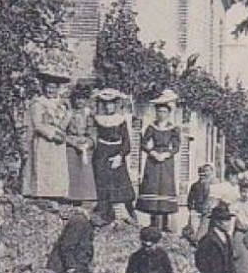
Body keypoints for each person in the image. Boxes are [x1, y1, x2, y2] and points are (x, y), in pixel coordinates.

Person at [137, 90, 181, 231]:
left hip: (166, 161)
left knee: (165, 187)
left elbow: (176, 146)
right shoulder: (151, 127)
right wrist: (152, 152)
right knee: (153, 186)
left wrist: (167, 154)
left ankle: (165, 223)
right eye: (159, 112)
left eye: (164, 112)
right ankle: (153, 222)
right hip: (153, 160)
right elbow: (143, 143)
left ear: (168, 113)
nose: (161, 114)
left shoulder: (173, 128)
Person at [90, 89, 136, 223]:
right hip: (101, 153)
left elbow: (127, 141)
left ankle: (126, 215)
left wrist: (120, 156)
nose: (108, 107)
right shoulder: (97, 119)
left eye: (111, 104)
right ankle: (104, 214)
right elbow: (93, 136)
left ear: (116, 105)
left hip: (116, 152)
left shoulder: (121, 120)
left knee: (120, 183)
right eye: (105, 104)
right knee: (102, 182)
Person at [23, 74, 72, 200]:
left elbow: (63, 124)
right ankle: (42, 196)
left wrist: (69, 112)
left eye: (53, 87)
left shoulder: (61, 104)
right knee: (44, 168)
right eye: (48, 87)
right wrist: (51, 135)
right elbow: (37, 124)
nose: (50, 90)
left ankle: (56, 196)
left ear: (58, 88)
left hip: (59, 142)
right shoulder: (38, 103)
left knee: (57, 169)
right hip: (44, 141)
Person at [63, 86, 97, 205]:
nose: (80, 102)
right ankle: (70, 202)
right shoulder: (69, 113)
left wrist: (88, 142)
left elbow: (93, 130)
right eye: (77, 99)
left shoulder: (89, 114)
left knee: (85, 177)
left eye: (83, 99)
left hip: (85, 147)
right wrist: (72, 142)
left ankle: (85, 203)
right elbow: (62, 131)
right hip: (71, 147)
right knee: (71, 176)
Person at [183, 164, 212, 242]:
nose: (203, 175)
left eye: (205, 172)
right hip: (196, 211)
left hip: (207, 212)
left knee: (204, 231)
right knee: (194, 229)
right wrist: (191, 209)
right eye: (201, 173)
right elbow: (190, 199)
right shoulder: (195, 185)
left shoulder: (212, 186)